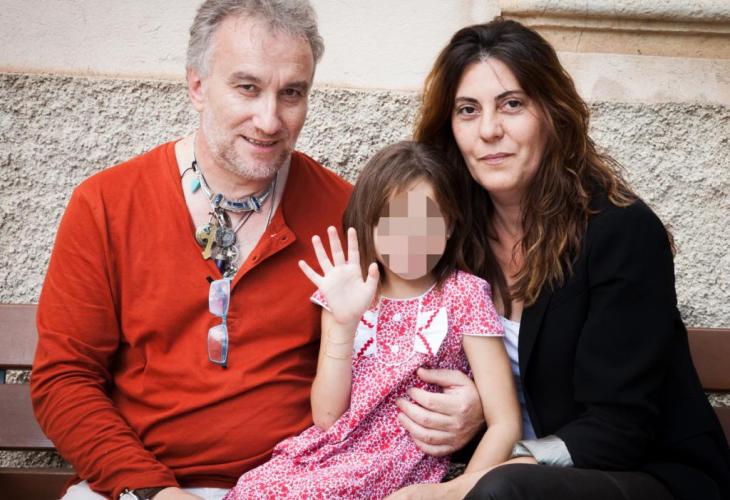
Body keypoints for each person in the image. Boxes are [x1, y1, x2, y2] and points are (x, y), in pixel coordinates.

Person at [30, 2, 482, 499]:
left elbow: (413, 332)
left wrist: (473, 410)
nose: (269, 120)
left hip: (298, 484)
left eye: (292, 93)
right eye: (247, 87)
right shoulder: (107, 205)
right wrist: (153, 491)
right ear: (197, 85)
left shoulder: (349, 215)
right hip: (136, 486)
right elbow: (64, 381)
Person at [402, 17, 730, 500]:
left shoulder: (620, 232)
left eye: (512, 104)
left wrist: (477, 475)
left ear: (551, 114)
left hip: (648, 475)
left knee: (502, 490)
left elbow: (620, 428)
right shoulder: (454, 239)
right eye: (467, 110)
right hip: (511, 478)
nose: (489, 130)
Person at [223, 141, 521, 499]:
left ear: (449, 225)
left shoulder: (463, 294)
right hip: (329, 454)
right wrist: (344, 324)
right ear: (371, 227)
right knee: (254, 489)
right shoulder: (349, 292)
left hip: (396, 465)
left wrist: (458, 493)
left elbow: (505, 423)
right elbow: (327, 417)